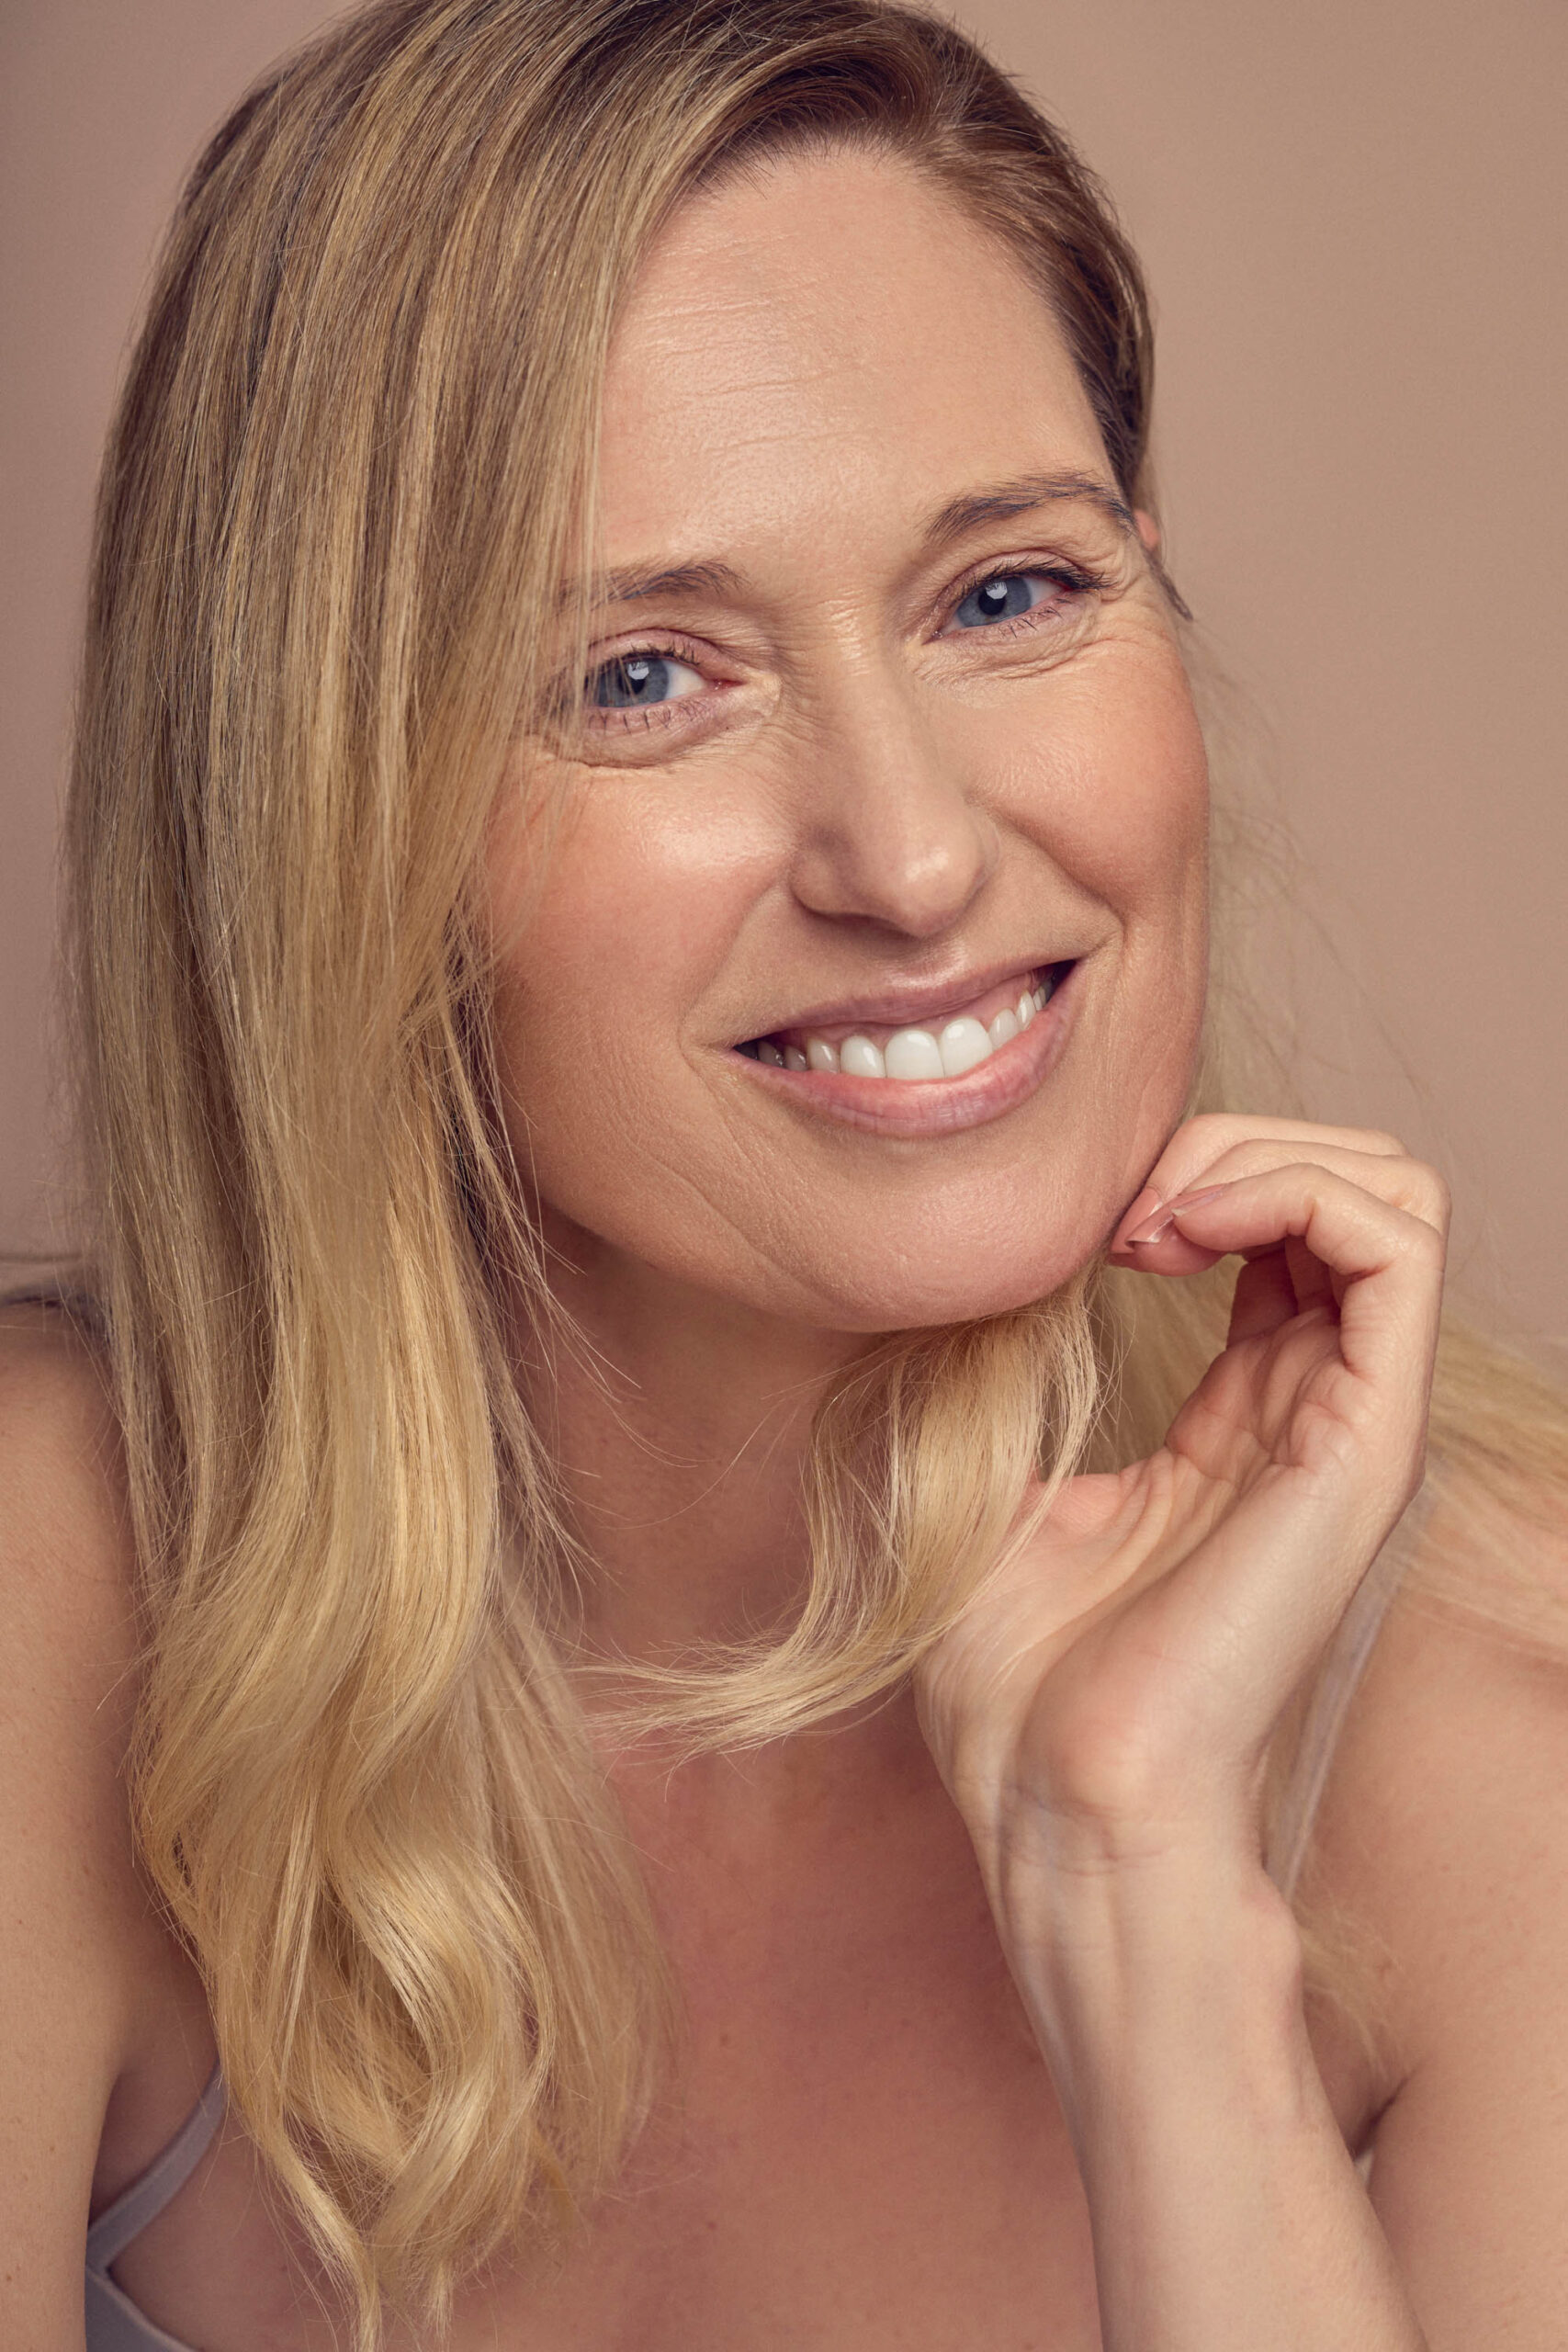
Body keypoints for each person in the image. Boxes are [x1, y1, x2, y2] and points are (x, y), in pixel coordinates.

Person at [4, 2, 1566, 2346]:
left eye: (1007, 593)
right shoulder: (59, 1587)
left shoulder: (1492, 1717)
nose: (917, 853)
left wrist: (1142, 1897)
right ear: (329, 827)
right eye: (643, 675)